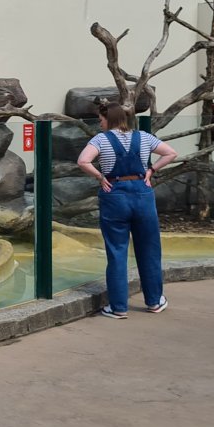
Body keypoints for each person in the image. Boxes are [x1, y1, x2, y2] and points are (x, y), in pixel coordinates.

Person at [77, 103, 178, 317]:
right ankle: (154, 301)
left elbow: (83, 161)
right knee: (149, 249)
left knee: (117, 251)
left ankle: (118, 307)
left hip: (114, 194)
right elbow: (171, 153)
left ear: (109, 119)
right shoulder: (144, 137)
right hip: (142, 193)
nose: (100, 124)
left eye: (101, 119)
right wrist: (151, 170)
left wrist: (100, 177)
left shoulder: (100, 140)